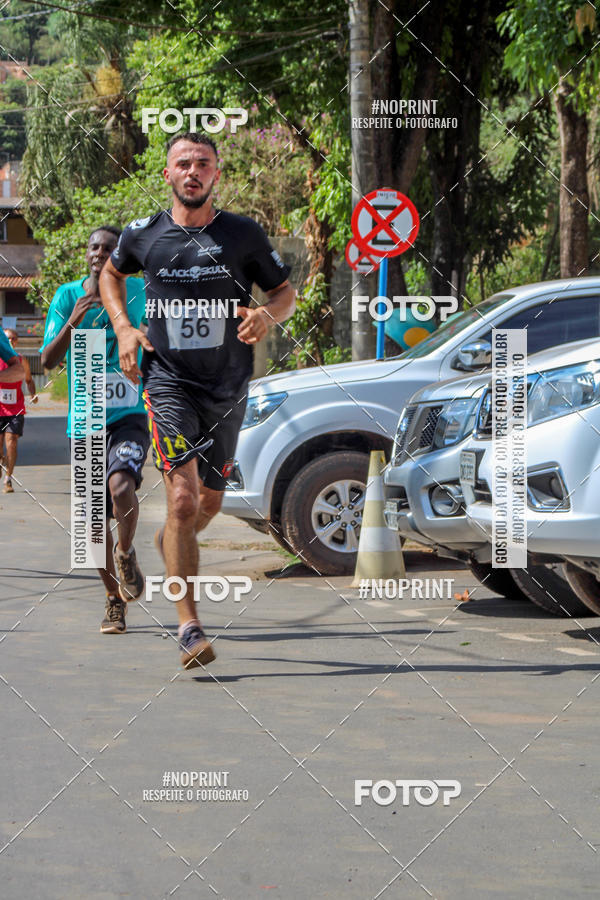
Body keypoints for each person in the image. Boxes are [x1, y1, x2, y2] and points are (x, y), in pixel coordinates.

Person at [100, 132, 296, 668]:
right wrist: (122, 327)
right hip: (167, 383)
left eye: (202, 164)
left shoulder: (242, 234)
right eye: (182, 163)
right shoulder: (144, 235)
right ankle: (189, 626)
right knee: (183, 500)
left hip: (228, 387)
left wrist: (266, 314)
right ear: (167, 174)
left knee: (208, 503)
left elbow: (284, 292)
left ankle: (168, 541)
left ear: (216, 174)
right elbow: (110, 275)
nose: (192, 171)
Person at [41, 226, 149, 634]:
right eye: (94, 247)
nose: (100, 253)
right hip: (85, 418)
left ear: (120, 255)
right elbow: (49, 360)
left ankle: (126, 553)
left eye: (109, 248)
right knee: (89, 527)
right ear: (85, 253)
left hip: (128, 415)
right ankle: (113, 599)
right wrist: (73, 321)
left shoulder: (138, 291)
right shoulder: (68, 296)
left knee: (122, 487)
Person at [0, 328, 37, 493]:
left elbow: (29, 380)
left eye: (13, 339)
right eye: (7, 338)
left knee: (12, 441)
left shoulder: (21, 361)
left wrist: (33, 394)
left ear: (17, 341)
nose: (10, 341)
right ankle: (2, 459)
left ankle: (8, 478)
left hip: (15, 409)